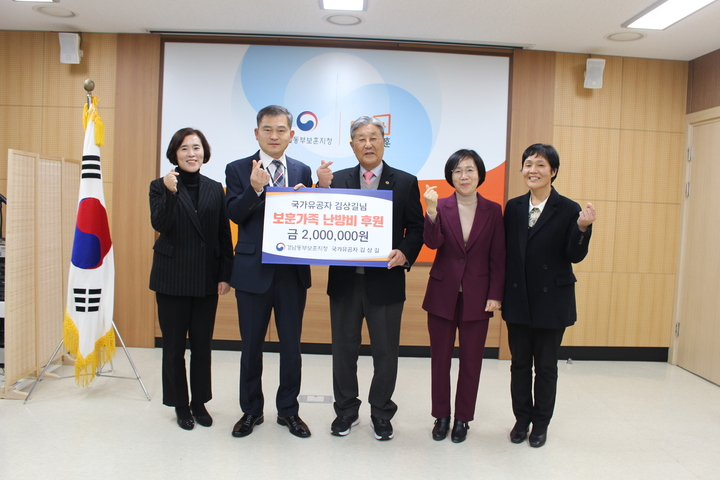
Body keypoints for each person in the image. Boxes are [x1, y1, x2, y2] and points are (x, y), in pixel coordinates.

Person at [315, 115, 424, 441]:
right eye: (361, 138)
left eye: (374, 137)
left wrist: (405, 253)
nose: (368, 143)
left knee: (385, 353)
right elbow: (322, 217)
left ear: (383, 142)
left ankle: (381, 413)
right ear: (352, 144)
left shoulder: (404, 181)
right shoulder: (337, 180)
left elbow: (416, 228)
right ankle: (346, 411)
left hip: (386, 282)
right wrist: (321, 187)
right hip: (346, 283)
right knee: (343, 351)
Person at [225, 105, 313, 439]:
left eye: (280, 130)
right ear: (256, 133)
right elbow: (235, 214)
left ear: (291, 134)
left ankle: (289, 411)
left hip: (291, 273)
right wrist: (255, 189)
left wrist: (316, 194)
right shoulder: (237, 169)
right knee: (251, 347)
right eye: (267, 129)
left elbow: (308, 219)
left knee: (292, 347)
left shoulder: (302, 169)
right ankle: (251, 411)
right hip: (251, 271)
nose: (274, 136)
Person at [503, 143, 596, 448]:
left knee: (545, 366)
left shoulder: (569, 209)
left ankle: (540, 424)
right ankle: (521, 419)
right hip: (518, 298)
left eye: (541, 165)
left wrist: (582, 227)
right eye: (528, 164)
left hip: (551, 301)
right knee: (519, 365)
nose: (533, 170)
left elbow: (574, 254)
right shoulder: (514, 207)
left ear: (553, 171)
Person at [149, 127, 233, 430]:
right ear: (175, 153)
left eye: (196, 148)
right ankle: (180, 405)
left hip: (205, 279)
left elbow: (224, 236)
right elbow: (161, 223)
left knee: (202, 345)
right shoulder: (160, 186)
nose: (191, 154)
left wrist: (226, 274)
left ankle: (199, 402)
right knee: (173, 347)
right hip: (171, 279)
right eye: (184, 148)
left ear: (204, 152)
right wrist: (171, 193)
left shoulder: (215, 188)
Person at [422, 149, 505, 443]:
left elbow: (498, 256)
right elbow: (432, 243)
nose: (464, 176)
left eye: (469, 170)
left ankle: (463, 419)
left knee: (472, 361)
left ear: (480, 174)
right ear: (450, 176)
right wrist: (430, 211)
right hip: (442, 293)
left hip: (478, 295)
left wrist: (495, 294)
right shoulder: (440, 206)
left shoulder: (493, 210)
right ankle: (441, 416)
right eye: (458, 171)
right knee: (440, 360)